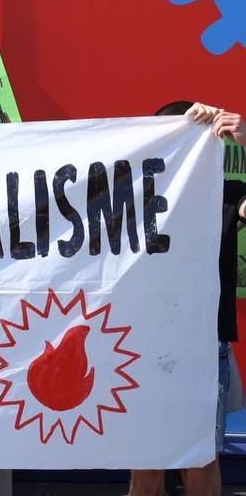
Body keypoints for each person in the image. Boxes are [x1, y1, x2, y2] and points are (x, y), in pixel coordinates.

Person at [129, 101, 246, 496]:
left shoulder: (226, 195)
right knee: (147, 465)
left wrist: (245, 140)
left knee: (200, 464)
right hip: (143, 346)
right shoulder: (131, 202)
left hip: (203, 347)